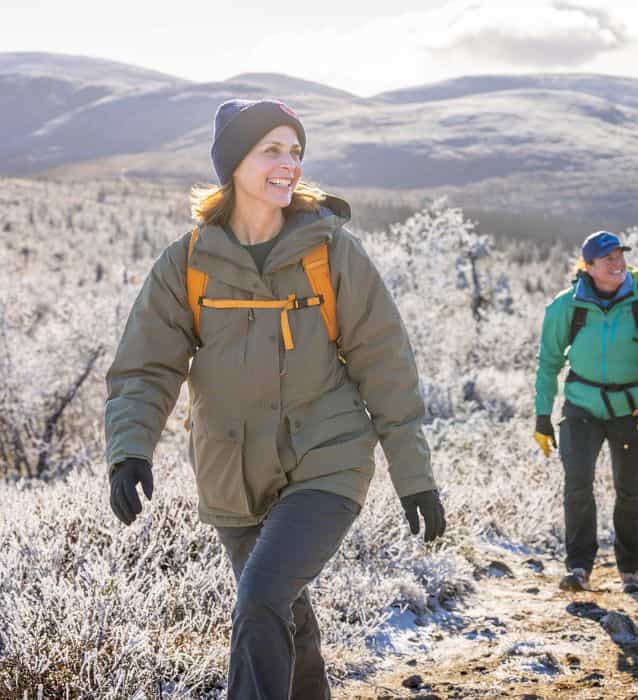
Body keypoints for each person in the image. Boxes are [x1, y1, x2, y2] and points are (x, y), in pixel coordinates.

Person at [104, 98, 446, 699]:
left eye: (295, 151)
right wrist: (130, 447)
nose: (289, 163)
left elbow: (386, 366)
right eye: (272, 150)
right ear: (234, 164)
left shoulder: (331, 252)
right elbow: (146, 365)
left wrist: (413, 475)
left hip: (327, 458)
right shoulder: (187, 263)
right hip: (230, 470)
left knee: (262, 595)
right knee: (284, 615)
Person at [533, 231, 638, 594]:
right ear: (589, 266)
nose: (617, 263)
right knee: (577, 483)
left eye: (620, 255)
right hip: (582, 406)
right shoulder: (566, 307)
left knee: (629, 489)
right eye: (607, 258)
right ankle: (579, 567)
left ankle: (631, 570)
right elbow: (548, 364)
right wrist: (541, 416)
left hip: (632, 408)